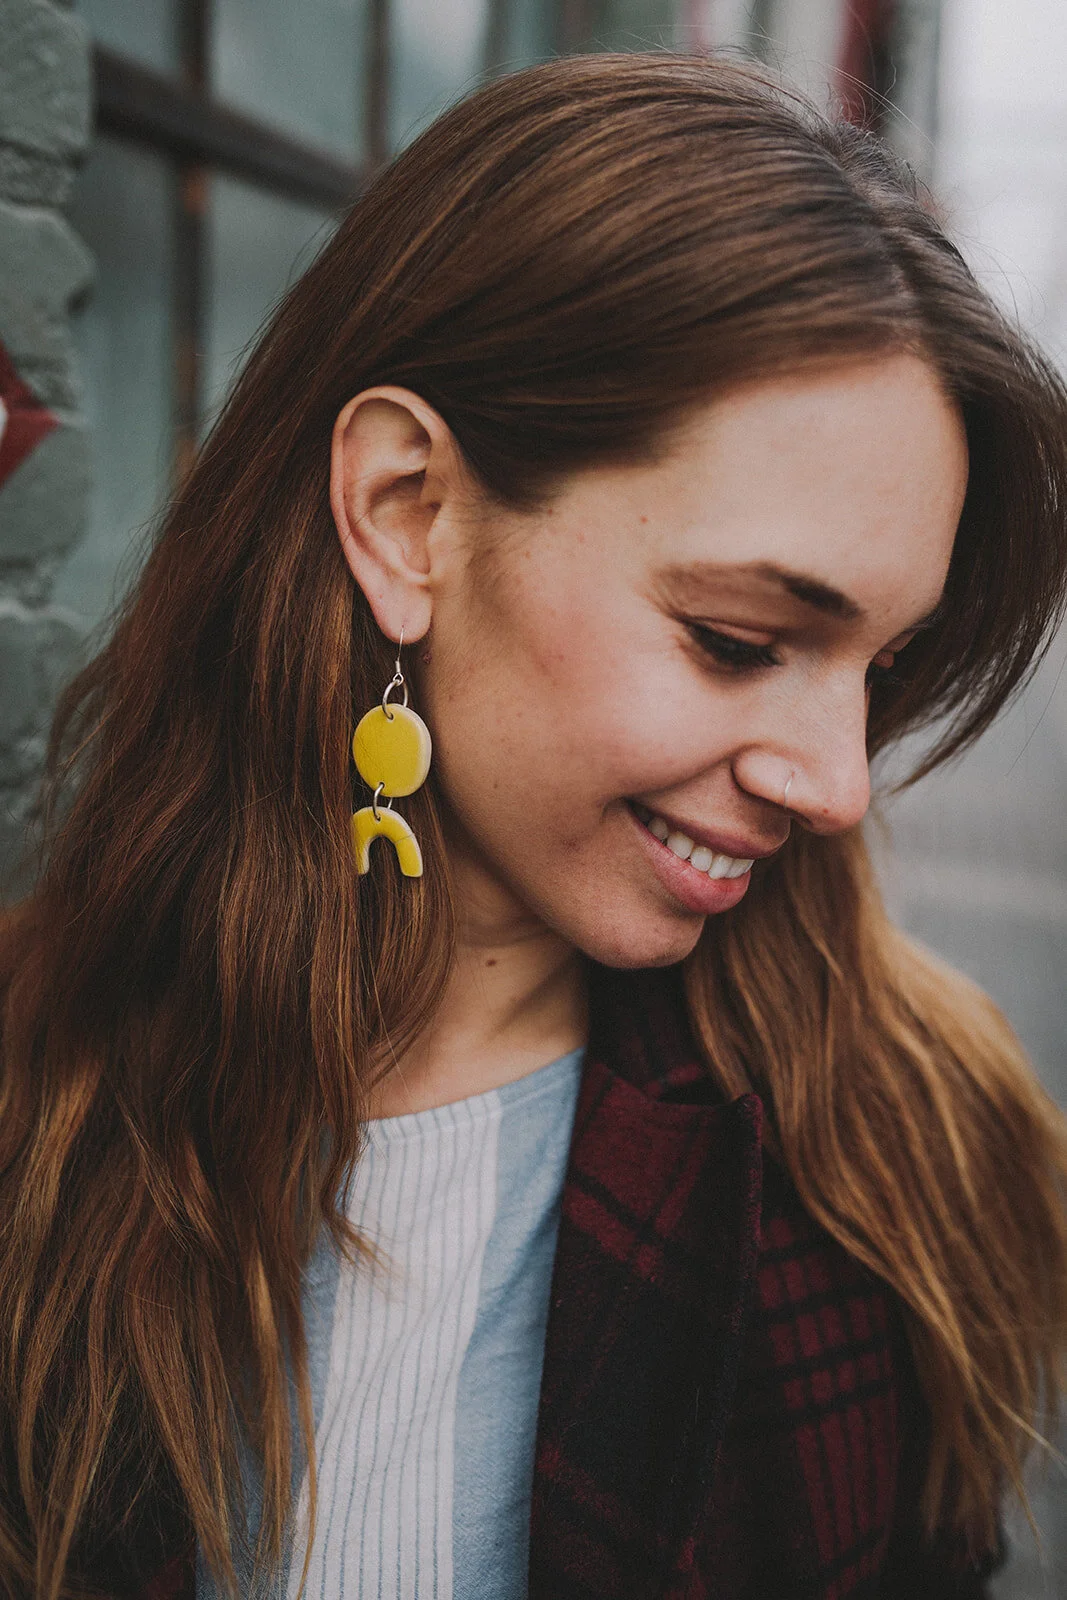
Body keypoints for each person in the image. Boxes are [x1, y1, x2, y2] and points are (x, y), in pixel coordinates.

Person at [2, 50, 1066, 1600]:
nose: (838, 784)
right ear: (406, 513)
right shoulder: (41, 1114)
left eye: (879, 667)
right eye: (737, 637)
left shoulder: (896, 1146)